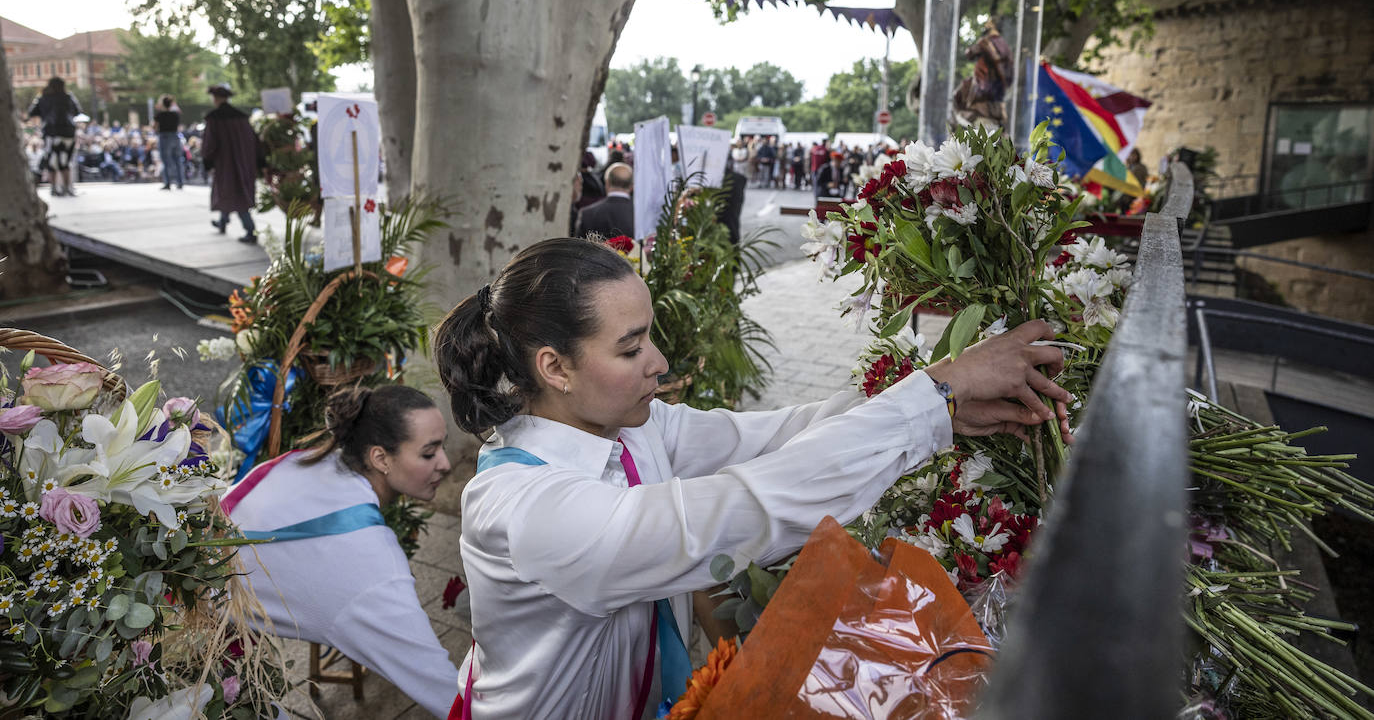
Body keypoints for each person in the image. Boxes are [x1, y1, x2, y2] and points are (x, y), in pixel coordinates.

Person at [433, 238, 1071, 719]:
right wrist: (937, 396)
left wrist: (943, 403)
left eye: (648, 336)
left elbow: (778, 436)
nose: (659, 362)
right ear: (555, 368)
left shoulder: (630, 429)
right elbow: (748, 507)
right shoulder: (529, 510)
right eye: (630, 349)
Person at [223, 385, 459, 718]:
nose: (446, 464)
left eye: (442, 447)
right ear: (380, 458)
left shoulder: (308, 461)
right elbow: (449, 695)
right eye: (428, 453)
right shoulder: (371, 567)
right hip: (187, 656)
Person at [201, 83, 261, 244]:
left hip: (225, 164)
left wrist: (207, 161)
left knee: (234, 194)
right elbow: (254, 141)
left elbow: (210, 144)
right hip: (244, 163)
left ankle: (250, 230)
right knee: (229, 192)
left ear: (215, 98)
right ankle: (222, 222)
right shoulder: (242, 117)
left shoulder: (214, 119)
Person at [27, 76, 80, 196]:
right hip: (68, 133)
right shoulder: (69, 97)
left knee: (52, 162)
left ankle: (55, 187)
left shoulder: (43, 98)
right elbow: (77, 111)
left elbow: (31, 112)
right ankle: (67, 187)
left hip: (51, 132)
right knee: (65, 162)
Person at [574, 162, 634, 239]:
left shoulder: (587, 214)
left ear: (607, 182)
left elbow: (579, 247)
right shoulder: (640, 214)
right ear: (632, 186)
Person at [155, 94, 185, 190]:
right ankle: (180, 182)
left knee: (166, 160)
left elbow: (155, 126)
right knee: (177, 160)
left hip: (164, 136)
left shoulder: (160, 114)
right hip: (175, 136)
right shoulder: (175, 114)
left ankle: (168, 182)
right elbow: (179, 111)